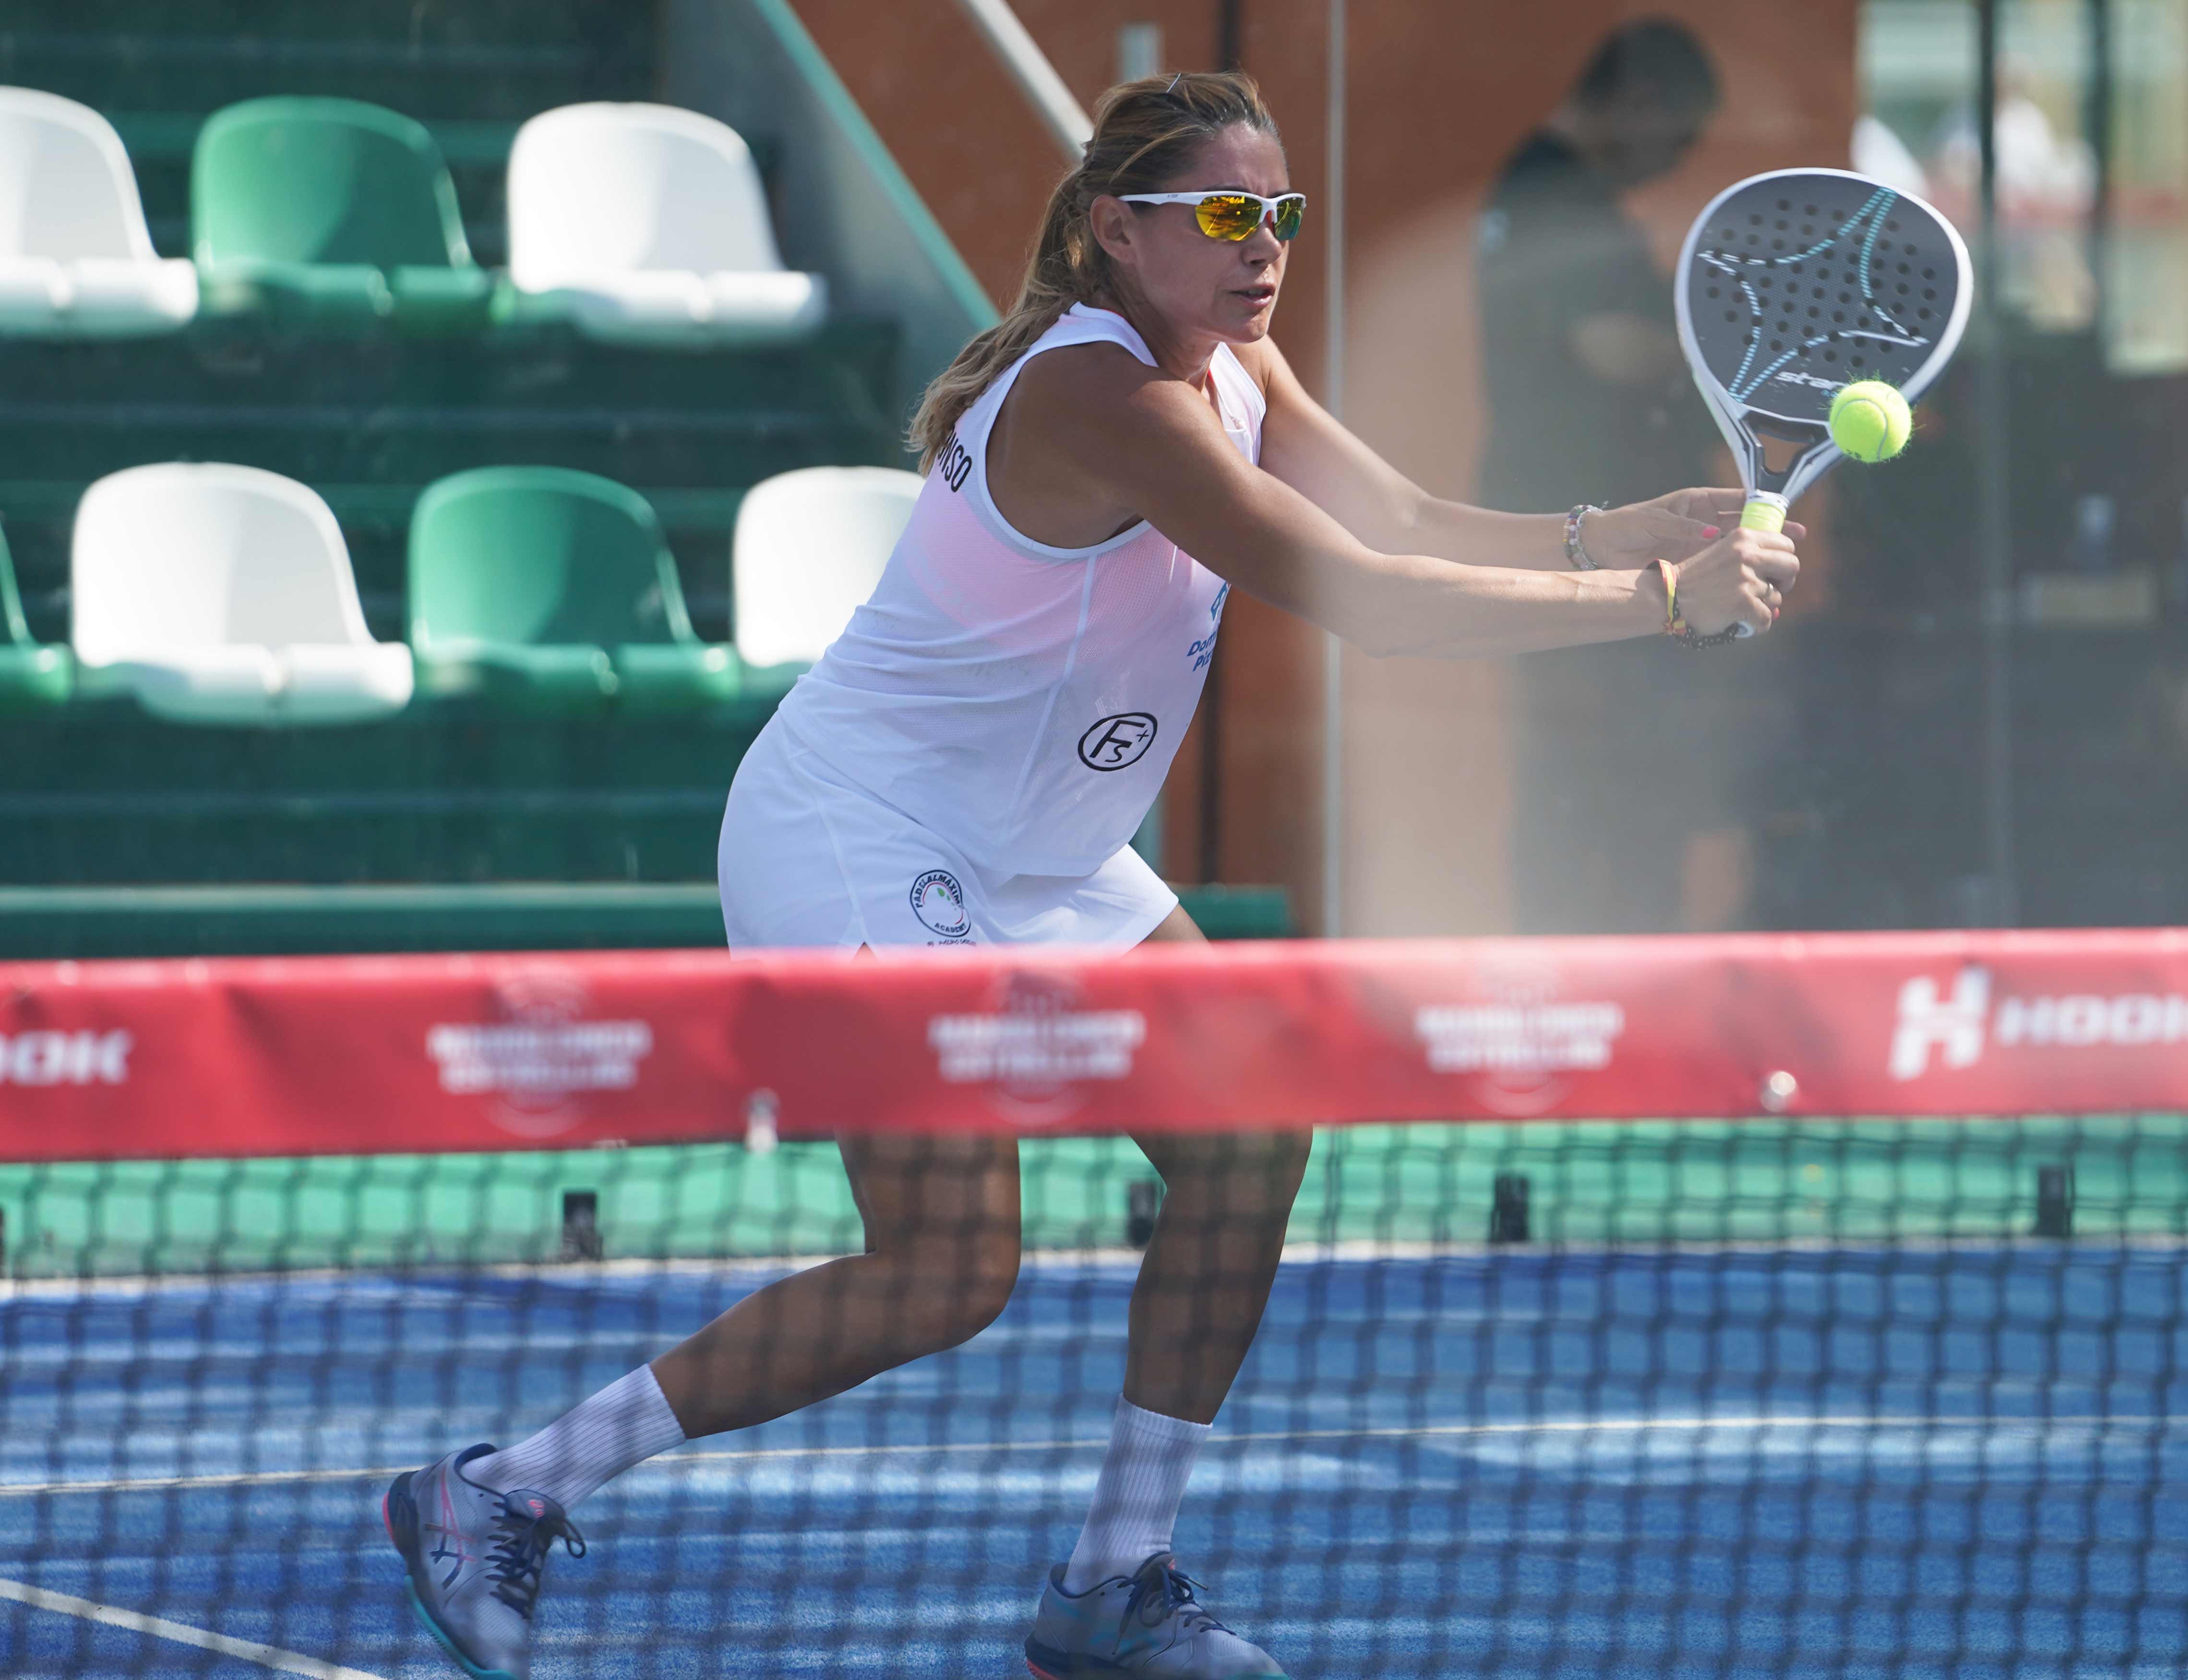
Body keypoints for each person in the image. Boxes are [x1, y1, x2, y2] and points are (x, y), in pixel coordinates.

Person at [383, 70, 1799, 1680]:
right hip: (863, 831)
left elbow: (1392, 512)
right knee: (948, 1269)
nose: (1262, 246)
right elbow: (1374, 599)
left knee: (1254, 1129)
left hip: (1046, 855)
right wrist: (1661, 602)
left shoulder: (1230, 359)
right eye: (1223, 213)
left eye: (1279, 213)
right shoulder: (1102, 399)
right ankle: (502, 1489)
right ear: (1119, 230)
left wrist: (1618, 530)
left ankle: (1113, 1579)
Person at [1475, 18, 1722, 516]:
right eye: (1680, 138)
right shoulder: (1558, 194)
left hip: (1555, 488)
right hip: (1576, 500)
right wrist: (1721, 359)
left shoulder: (1538, 184)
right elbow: (1609, 344)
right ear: (1640, 104)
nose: (1677, 162)